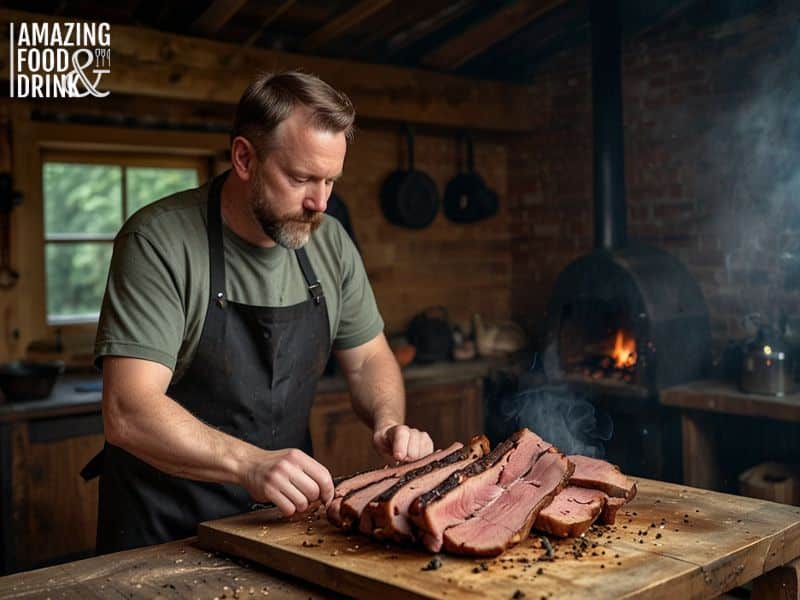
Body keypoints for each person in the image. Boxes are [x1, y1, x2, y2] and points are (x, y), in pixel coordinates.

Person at [84, 71, 434, 554]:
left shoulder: (330, 242)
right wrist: (250, 464)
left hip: (279, 525)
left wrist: (388, 421)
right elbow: (128, 410)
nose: (319, 202)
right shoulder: (159, 241)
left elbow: (369, 358)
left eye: (330, 181)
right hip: (162, 533)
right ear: (245, 158)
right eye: (301, 179)